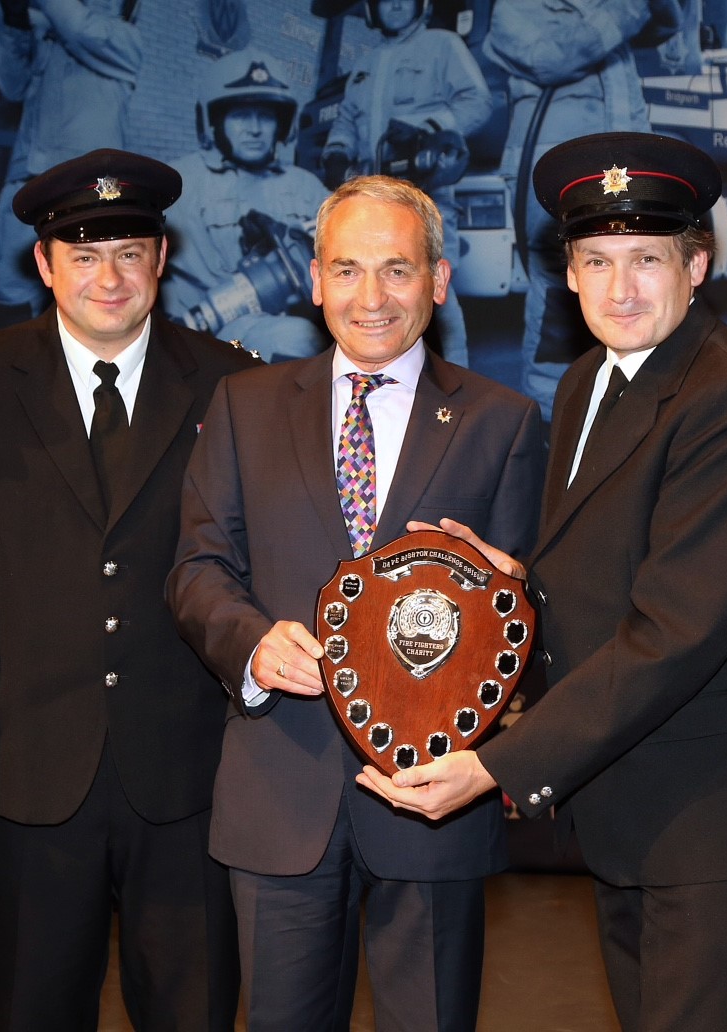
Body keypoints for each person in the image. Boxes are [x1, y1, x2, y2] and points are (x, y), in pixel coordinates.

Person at [358, 131, 727, 1031]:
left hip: (703, 814)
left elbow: (679, 629)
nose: (620, 288)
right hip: (627, 801)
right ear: (568, 273)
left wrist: (495, 764)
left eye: (646, 260)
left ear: (697, 264)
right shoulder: (598, 378)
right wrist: (505, 582)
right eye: (597, 260)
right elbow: (609, 557)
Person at [166, 175, 545, 1032]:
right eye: (346, 270)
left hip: (435, 799)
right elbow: (197, 568)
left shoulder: (504, 422)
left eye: (396, 270)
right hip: (280, 795)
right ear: (313, 280)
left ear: (439, 281)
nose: (369, 297)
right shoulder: (244, 406)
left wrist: (516, 597)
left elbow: (529, 611)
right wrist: (253, 647)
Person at [0, 147, 260, 1032]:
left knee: (193, 1008)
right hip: (23, 759)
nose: (108, 278)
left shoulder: (232, 384)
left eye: (128, 252)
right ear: (43, 263)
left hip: (188, 763)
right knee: (36, 1006)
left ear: (160, 258)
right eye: (83, 254)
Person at [481, 0, 687, 419]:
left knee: (629, 289)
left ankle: (625, 418)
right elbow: (550, 59)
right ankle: (552, 424)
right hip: (554, 172)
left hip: (620, 164)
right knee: (559, 292)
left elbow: (664, 22)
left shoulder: (605, 9)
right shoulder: (515, 9)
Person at [317, 0, 493, 368]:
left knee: (436, 295)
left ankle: (457, 388)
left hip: (425, 194)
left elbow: (478, 102)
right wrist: (336, 150)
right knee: (375, 294)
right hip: (371, 203)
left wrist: (427, 128)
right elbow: (347, 120)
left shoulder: (442, 45)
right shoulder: (366, 64)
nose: (395, 4)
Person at [162, 46, 330, 361]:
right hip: (209, 337)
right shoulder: (181, 183)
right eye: (240, 115)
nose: (254, 129)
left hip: (301, 317)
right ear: (214, 122)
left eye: (265, 116)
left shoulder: (304, 186)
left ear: (281, 124)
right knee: (299, 340)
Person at [0, 0, 142, 330]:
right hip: (28, 182)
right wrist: (16, 24)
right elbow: (10, 86)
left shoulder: (123, 39)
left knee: (86, 289)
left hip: (88, 191)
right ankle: (11, 372)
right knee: (8, 288)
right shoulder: (47, 34)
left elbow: (81, 27)